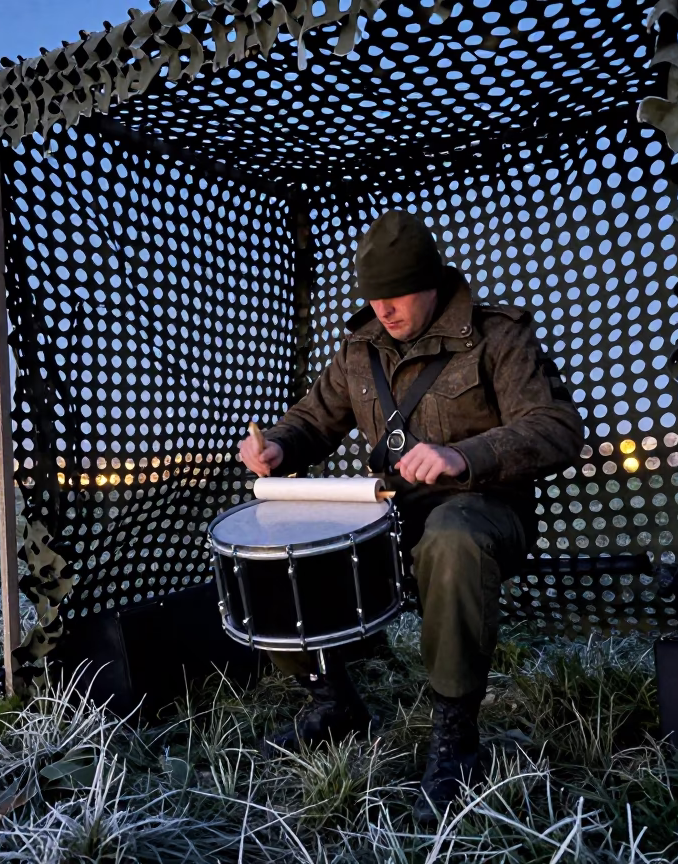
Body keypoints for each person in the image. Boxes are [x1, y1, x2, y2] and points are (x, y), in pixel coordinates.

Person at [237, 209, 583, 825]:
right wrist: (279, 447)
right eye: (373, 297)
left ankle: (456, 734)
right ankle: (331, 699)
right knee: (275, 538)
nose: (385, 310)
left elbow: (556, 429)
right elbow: (314, 419)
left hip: (483, 509)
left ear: (432, 283)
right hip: (392, 512)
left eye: (396, 295)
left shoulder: (496, 337)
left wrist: (462, 455)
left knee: (451, 540)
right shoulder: (359, 347)